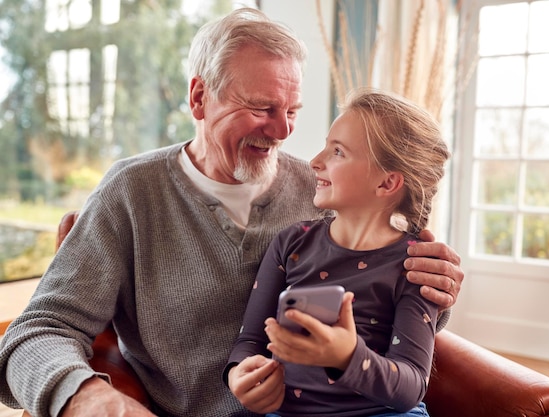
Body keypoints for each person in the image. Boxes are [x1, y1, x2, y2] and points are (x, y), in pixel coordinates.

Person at [0, 8, 463, 417]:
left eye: (293, 110)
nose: (282, 130)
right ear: (199, 98)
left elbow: (387, 317)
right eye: (262, 108)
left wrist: (434, 291)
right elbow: (37, 331)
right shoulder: (132, 193)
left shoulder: (331, 193)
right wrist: (88, 398)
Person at [227, 89, 449, 417]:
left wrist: (349, 356)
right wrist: (239, 374)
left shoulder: (416, 266)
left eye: (338, 152)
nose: (315, 161)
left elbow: (411, 386)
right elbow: (250, 340)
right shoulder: (292, 244)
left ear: (387, 184)